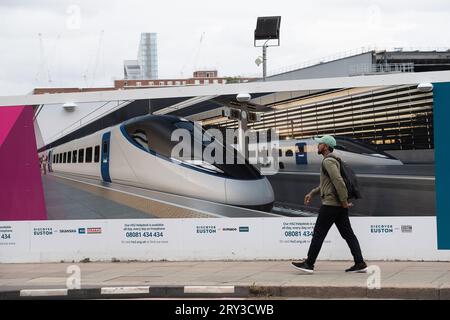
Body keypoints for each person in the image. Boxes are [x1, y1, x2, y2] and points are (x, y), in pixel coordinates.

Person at [291, 135, 367, 274]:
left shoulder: (328, 161)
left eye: (319, 144)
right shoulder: (333, 160)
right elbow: (327, 184)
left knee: (318, 234)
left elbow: (338, 181)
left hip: (331, 205)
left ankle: (309, 264)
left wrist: (344, 201)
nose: (317, 146)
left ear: (325, 146)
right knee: (348, 234)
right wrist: (312, 193)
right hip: (338, 206)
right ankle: (359, 262)